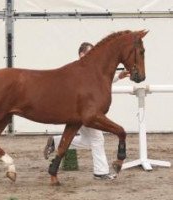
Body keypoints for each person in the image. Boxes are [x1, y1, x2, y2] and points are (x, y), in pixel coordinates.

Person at [44, 42, 130, 180]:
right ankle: (100, 172)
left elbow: (102, 80)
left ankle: (55, 141)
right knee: (97, 139)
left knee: (89, 140)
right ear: (81, 54)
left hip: (81, 111)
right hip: (83, 112)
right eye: (90, 53)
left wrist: (119, 76)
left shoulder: (86, 70)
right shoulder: (79, 70)